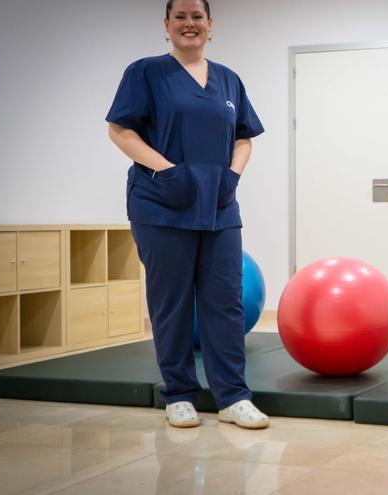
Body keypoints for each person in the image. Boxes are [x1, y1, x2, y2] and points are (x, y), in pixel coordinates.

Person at [106, 0, 268, 429]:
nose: (189, 23)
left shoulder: (229, 80)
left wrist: (232, 176)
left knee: (226, 302)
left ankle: (233, 397)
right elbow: (120, 130)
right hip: (161, 204)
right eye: (180, 16)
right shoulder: (145, 72)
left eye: (197, 16)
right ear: (167, 25)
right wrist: (168, 172)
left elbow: (245, 138)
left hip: (218, 205)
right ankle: (178, 394)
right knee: (171, 303)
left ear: (210, 25)